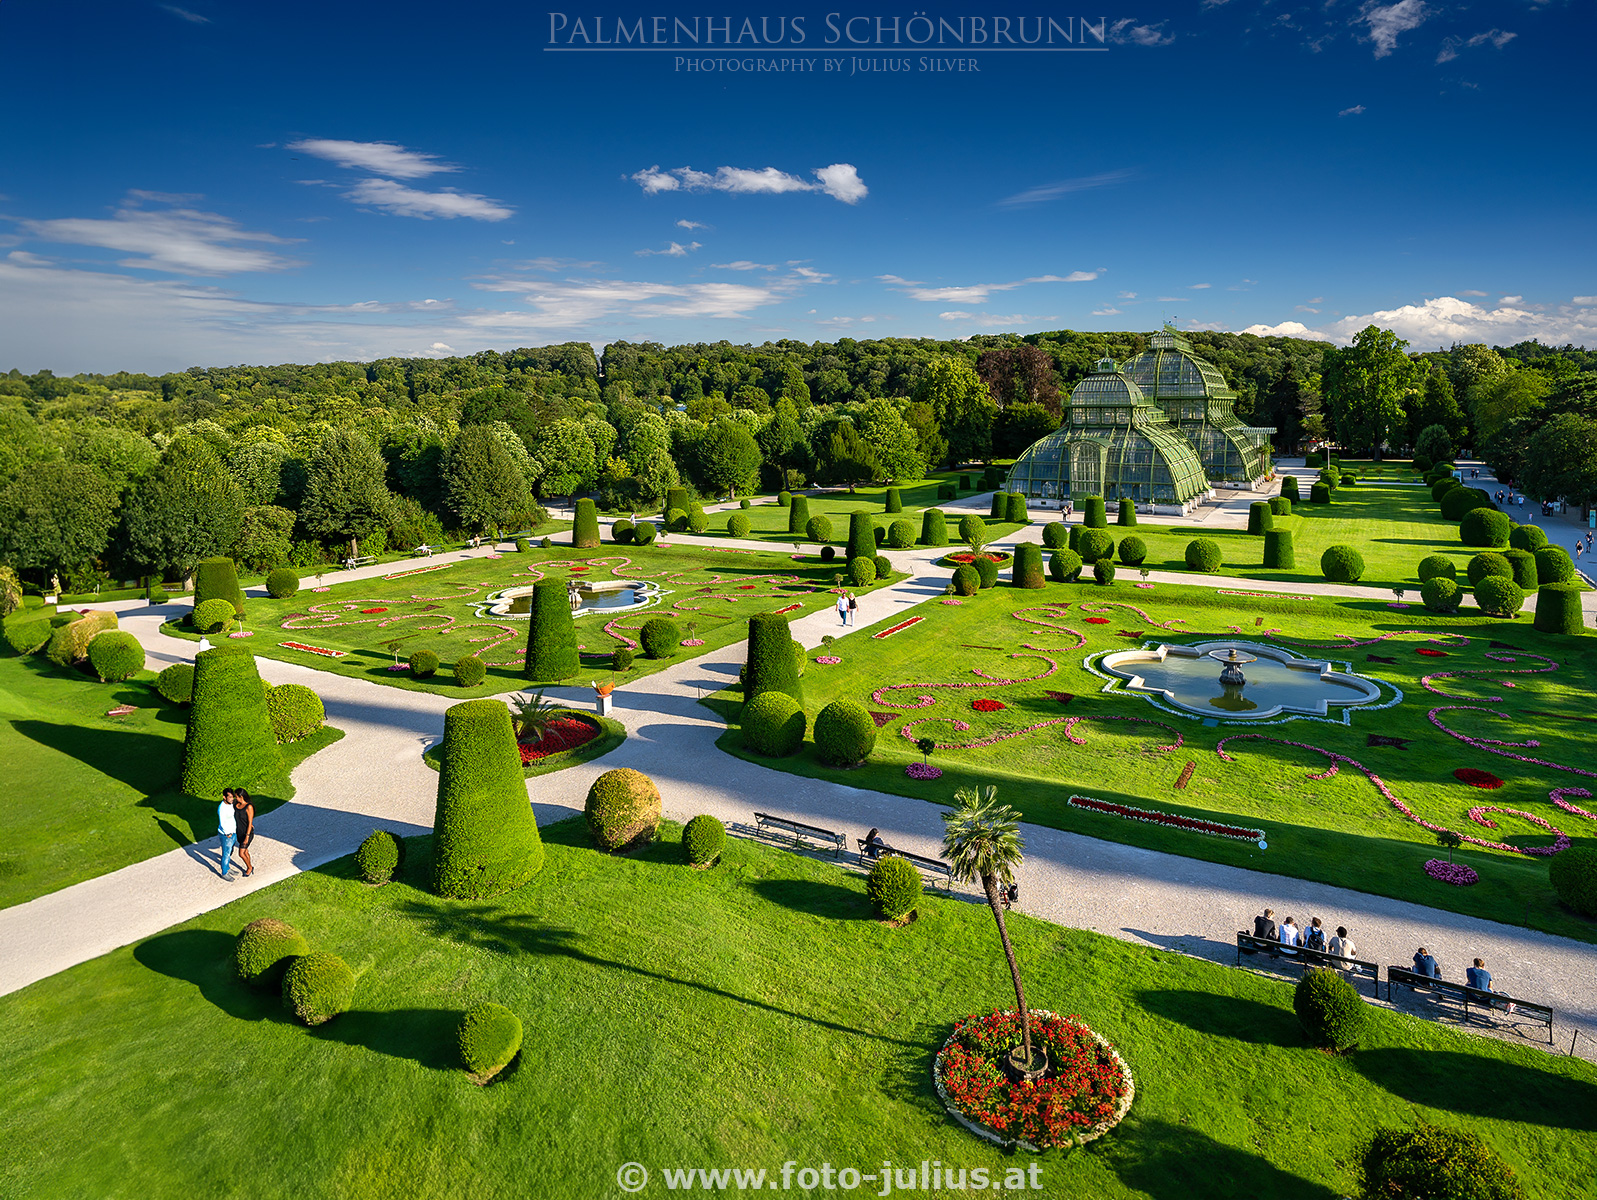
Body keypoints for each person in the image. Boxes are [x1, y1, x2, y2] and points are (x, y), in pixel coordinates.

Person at [216, 789, 238, 880]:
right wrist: (227, 833)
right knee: (226, 853)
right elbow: (222, 822)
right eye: (229, 797)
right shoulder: (222, 808)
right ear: (224, 797)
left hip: (233, 832)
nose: (232, 799)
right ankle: (224, 872)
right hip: (226, 835)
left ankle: (227, 868)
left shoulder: (231, 805)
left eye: (232, 797)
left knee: (230, 852)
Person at [234, 788, 255, 878]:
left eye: (236, 797)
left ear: (241, 796)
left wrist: (247, 837)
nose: (235, 798)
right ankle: (249, 865)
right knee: (245, 852)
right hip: (239, 832)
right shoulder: (236, 804)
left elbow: (250, 823)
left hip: (247, 833)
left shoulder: (249, 807)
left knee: (241, 853)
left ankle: (249, 868)